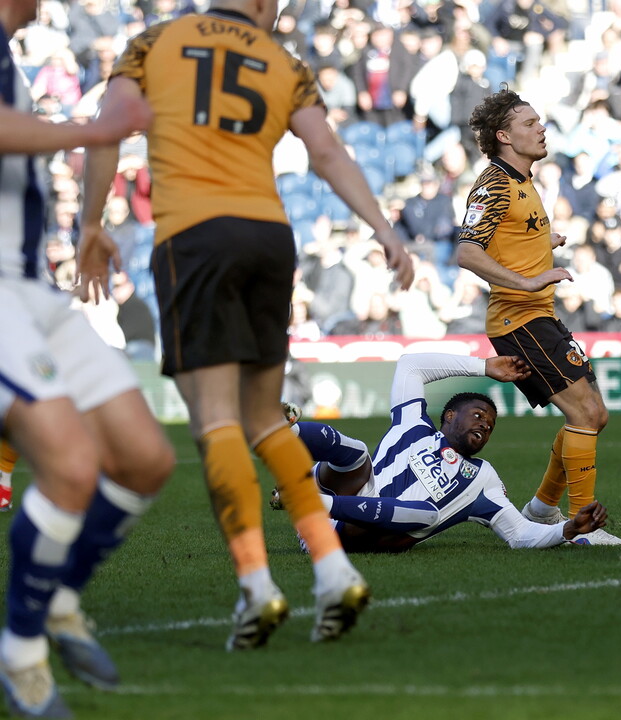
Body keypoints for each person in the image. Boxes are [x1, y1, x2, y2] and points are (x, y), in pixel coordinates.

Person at [78, 0, 416, 652]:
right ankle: (333, 569)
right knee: (264, 418)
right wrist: (382, 229)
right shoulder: (282, 60)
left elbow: (107, 129)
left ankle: (258, 588)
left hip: (195, 237)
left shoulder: (154, 42)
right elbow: (326, 150)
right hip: (268, 237)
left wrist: (92, 225)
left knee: (215, 421)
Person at [0, 1, 174, 715]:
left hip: (34, 287)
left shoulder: (9, 48)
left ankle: (61, 600)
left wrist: (89, 224)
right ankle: (21, 652)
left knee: (144, 459)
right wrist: (93, 128)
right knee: (71, 467)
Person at [456, 86, 621, 546]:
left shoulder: (522, 183)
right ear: (504, 136)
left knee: (594, 416)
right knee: (587, 412)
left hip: (538, 317)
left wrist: (540, 247)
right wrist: (529, 281)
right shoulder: (493, 183)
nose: (541, 128)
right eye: (529, 123)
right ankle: (582, 529)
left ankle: (542, 509)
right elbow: (467, 252)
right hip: (519, 319)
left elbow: (503, 240)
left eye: (539, 121)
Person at [271, 353, 610, 551]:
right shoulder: (413, 424)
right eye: (478, 415)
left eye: (490, 426)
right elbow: (410, 366)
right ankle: (280, 430)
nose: (485, 426)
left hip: (345, 534)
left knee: (425, 513)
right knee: (357, 453)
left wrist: (566, 531)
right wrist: (484, 367)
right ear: (449, 415)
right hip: (337, 492)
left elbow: (520, 533)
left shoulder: (482, 479)